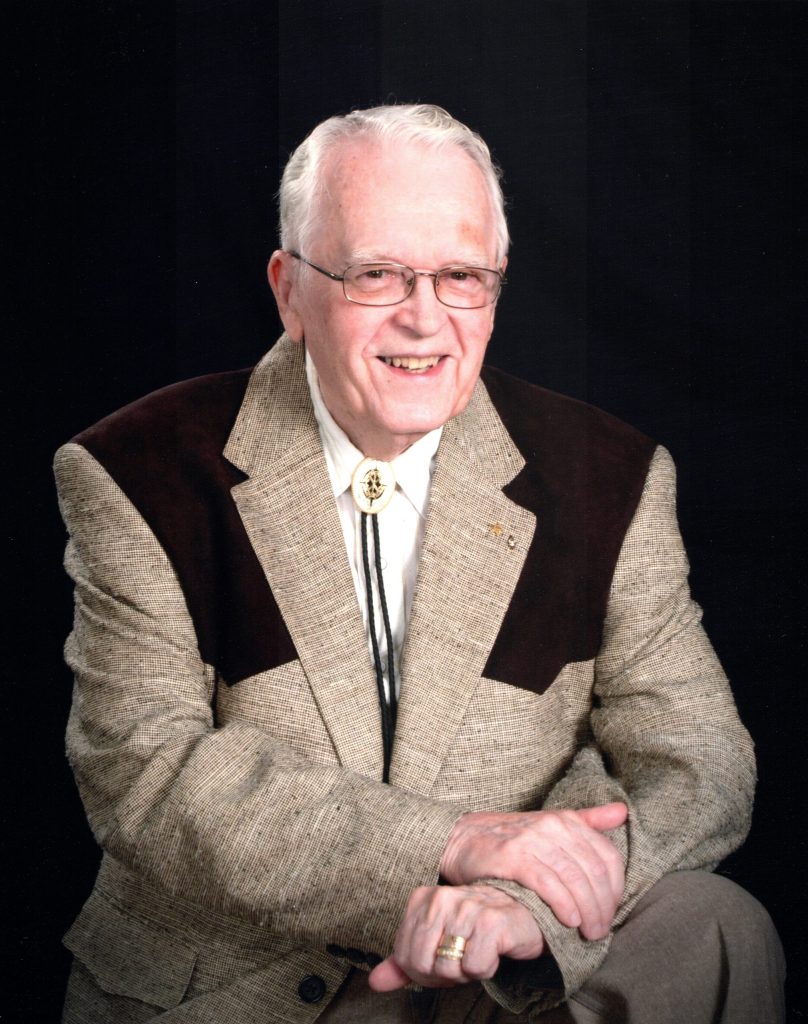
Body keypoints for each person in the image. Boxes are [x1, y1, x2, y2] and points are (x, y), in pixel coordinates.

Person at [55, 104, 784, 1023]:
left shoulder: (610, 475)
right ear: (289, 291)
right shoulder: (137, 470)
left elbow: (699, 760)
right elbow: (147, 772)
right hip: (250, 988)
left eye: (460, 277)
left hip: (503, 978)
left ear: (495, 288)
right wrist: (450, 845)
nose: (424, 318)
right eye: (376, 274)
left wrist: (520, 906)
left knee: (717, 925)